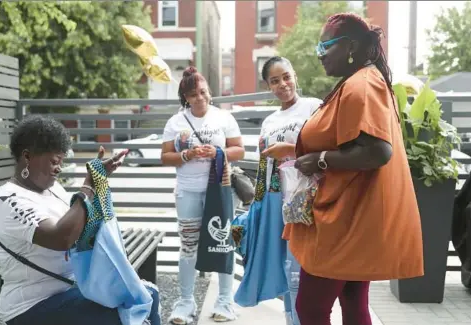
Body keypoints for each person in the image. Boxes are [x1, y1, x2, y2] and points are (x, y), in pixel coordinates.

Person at [282, 13, 424, 325]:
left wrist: (319, 159)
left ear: (350, 46)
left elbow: (377, 151)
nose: (319, 57)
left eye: (325, 48)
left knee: (310, 307)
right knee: (353, 301)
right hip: (353, 215)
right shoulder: (364, 80)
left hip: (345, 221)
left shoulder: (361, 85)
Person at [0, 115, 158, 325]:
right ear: (27, 156)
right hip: (32, 304)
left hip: (71, 288)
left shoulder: (53, 189)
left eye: (61, 162)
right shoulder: (9, 200)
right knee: (122, 315)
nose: (59, 168)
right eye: (54, 161)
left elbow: (80, 223)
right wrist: (88, 186)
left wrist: (99, 182)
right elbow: (61, 237)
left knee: (147, 295)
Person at [233, 56, 321, 325]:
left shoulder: (314, 107)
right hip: (275, 201)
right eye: (275, 81)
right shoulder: (269, 121)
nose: (283, 84)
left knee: (298, 271)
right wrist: (257, 207)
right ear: (268, 86)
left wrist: (292, 151)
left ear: (295, 75)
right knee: (284, 268)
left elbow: (325, 149)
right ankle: (290, 319)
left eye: (286, 76)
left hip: (306, 199)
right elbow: (265, 167)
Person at [161, 66, 245, 324]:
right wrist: (187, 154)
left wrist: (216, 153)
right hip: (187, 191)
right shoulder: (175, 122)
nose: (200, 97)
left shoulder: (224, 118)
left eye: (203, 91)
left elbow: (239, 150)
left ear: (209, 91)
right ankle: (185, 302)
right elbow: (165, 158)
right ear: (185, 97)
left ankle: (225, 301)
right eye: (194, 94)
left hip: (221, 191)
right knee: (188, 247)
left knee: (224, 243)